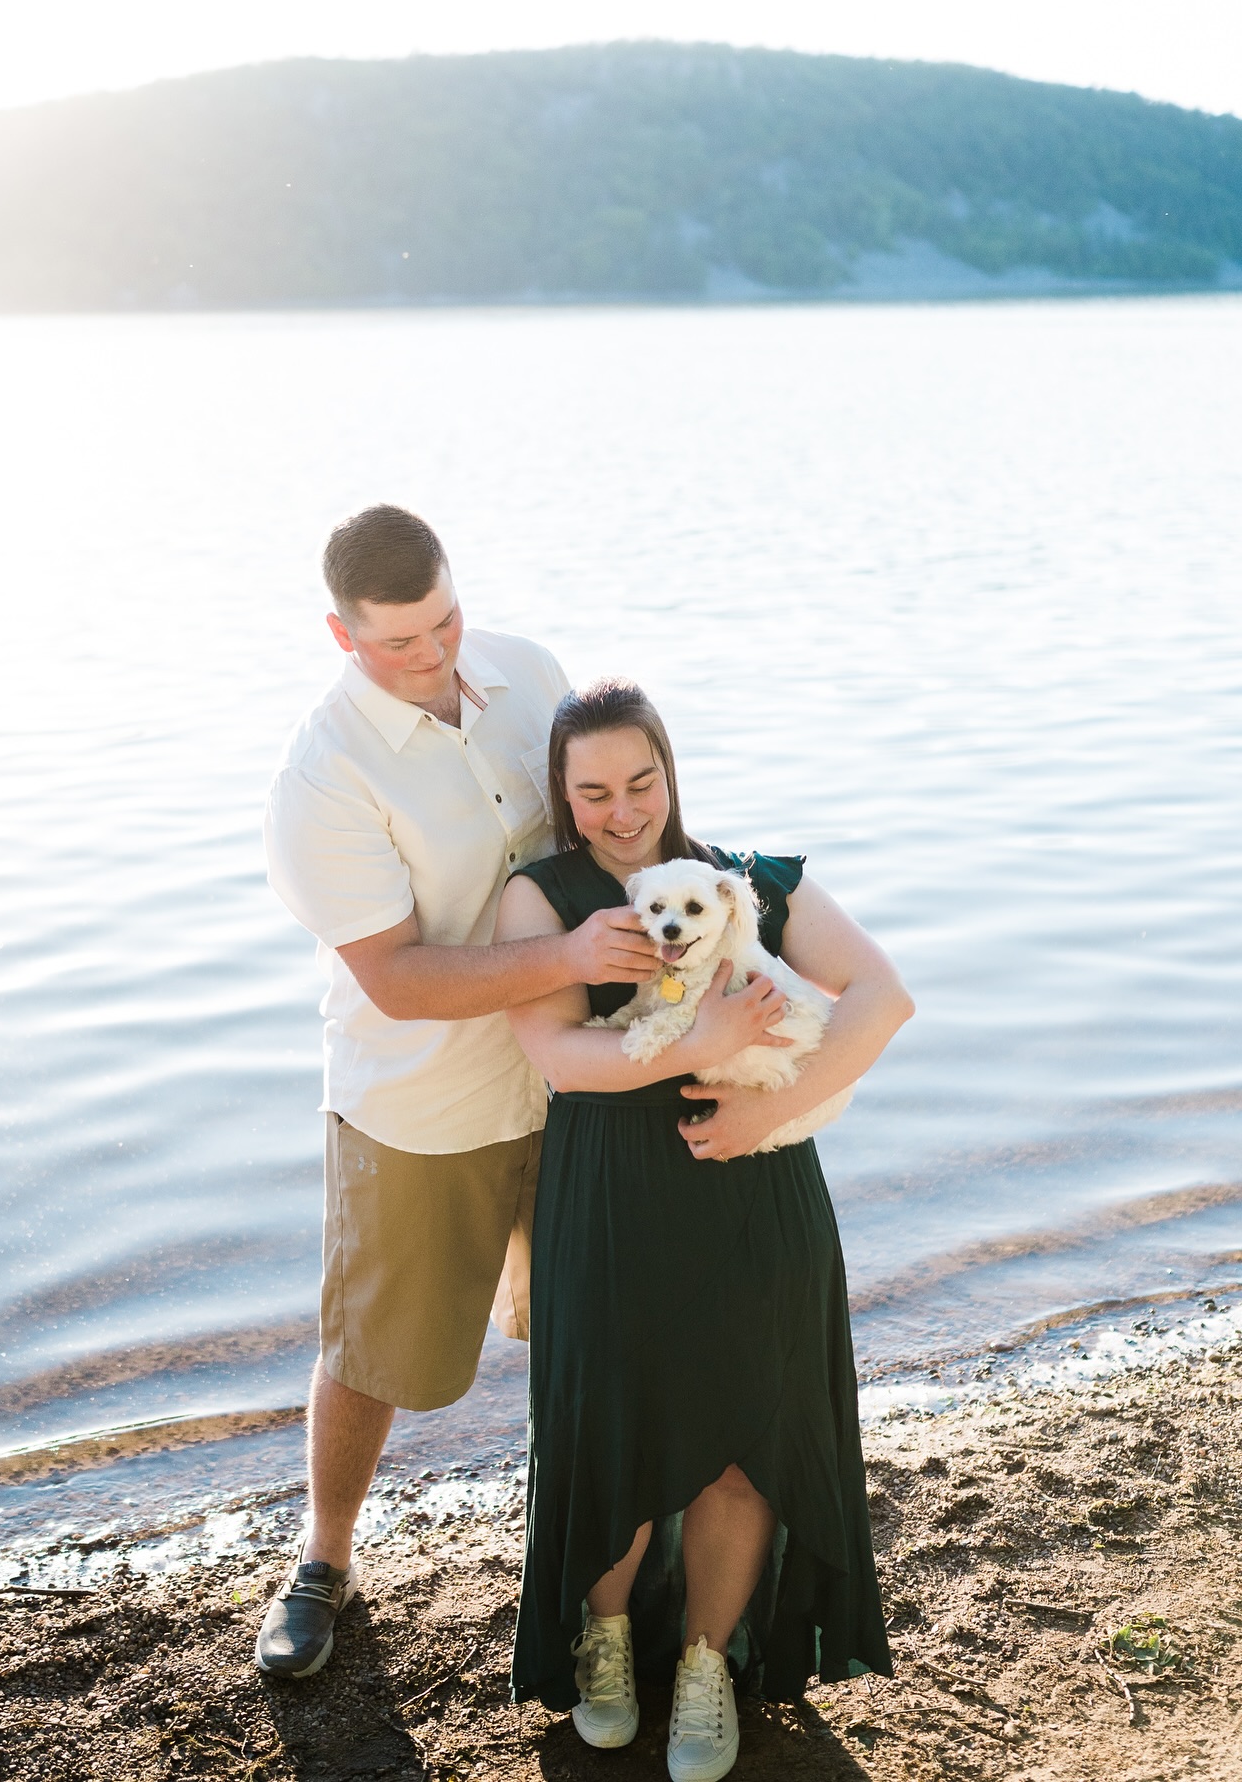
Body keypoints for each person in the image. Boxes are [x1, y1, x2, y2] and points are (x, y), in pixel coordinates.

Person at [257, 511, 788, 1680]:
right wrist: (569, 962)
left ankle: (603, 1567)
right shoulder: (322, 779)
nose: (436, 652)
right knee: (377, 1344)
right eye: (400, 642)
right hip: (425, 1102)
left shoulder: (530, 672)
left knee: (596, 1339)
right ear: (341, 636)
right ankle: (324, 1558)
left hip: (588, 1089)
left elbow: (611, 821)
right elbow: (393, 977)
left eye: (445, 619)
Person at [498, 677, 913, 1782]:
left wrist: (764, 1112)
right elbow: (558, 1057)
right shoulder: (542, 899)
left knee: (744, 1443)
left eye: (642, 780)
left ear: (670, 771)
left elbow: (883, 998)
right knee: (614, 1435)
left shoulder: (753, 884)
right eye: (594, 792)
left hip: (758, 1189)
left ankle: (705, 1665)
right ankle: (605, 1647)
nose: (624, 810)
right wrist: (701, 1041)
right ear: (564, 796)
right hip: (612, 1200)